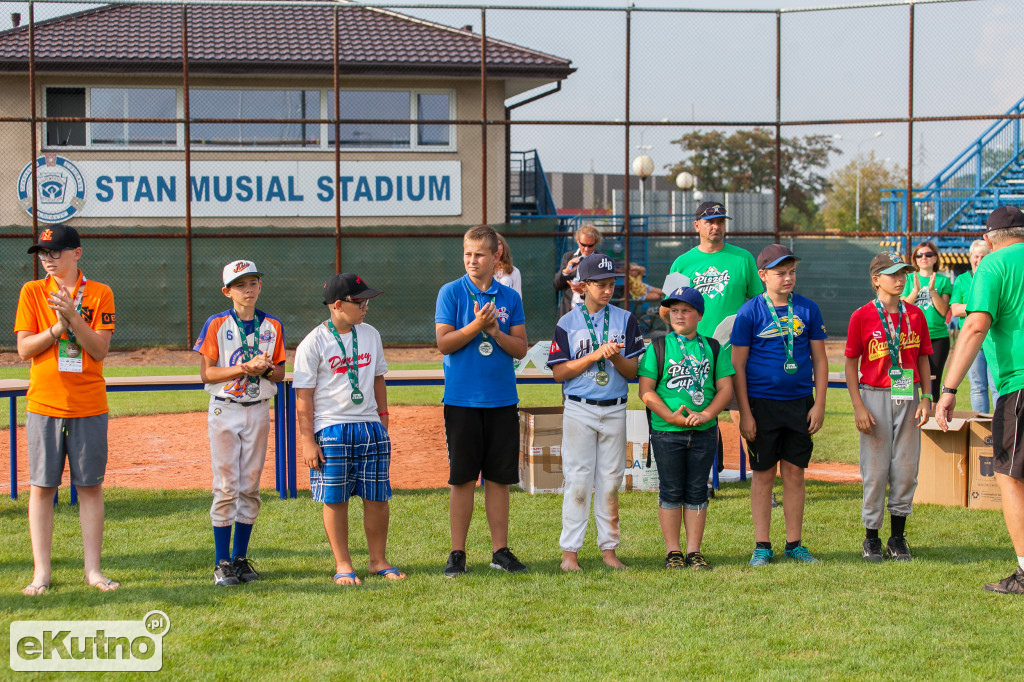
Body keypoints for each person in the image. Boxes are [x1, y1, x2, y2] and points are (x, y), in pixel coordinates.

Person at [15, 224, 118, 595]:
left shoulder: (101, 293)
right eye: (43, 254)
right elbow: (25, 350)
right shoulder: (32, 291)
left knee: (89, 486)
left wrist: (74, 317)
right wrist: (59, 327)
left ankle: (93, 570)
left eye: (55, 252)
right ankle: (41, 572)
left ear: (77, 253)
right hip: (44, 402)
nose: (48, 260)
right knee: (41, 487)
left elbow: (99, 350)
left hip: (88, 403)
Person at [294, 273, 404, 586]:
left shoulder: (370, 334)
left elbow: (379, 378)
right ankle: (343, 565)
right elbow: (303, 397)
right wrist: (307, 441)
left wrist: (383, 420)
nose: (366, 306)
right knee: (335, 498)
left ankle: (377, 560)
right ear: (339, 305)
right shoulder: (313, 342)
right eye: (361, 301)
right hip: (332, 429)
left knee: (378, 497)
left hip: (369, 427)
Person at [936, 205, 1024, 594]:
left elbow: (974, 326)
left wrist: (949, 389)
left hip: (1019, 384)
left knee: (1011, 477)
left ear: (988, 239)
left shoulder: (992, 265)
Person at [435, 225, 529, 577]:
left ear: (496, 257)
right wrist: (477, 326)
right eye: (467, 254)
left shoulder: (510, 298)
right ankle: (457, 552)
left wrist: (495, 332)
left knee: (498, 479)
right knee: (461, 479)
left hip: (502, 400)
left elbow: (520, 348)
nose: (472, 261)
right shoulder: (451, 293)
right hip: (462, 401)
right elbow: (444, 343)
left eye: (479, 255)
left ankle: (499, 551)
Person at [546, 253, 645, 572]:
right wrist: (593, 357)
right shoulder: (567, 322)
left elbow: (632, 372)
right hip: (579, 408)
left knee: (611, 480)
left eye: (611, 283)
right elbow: (559, 373)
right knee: (577, 480)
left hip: (615, 407)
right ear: (583, 286)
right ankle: (569, 553)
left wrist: (614, 358)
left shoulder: (625, 319)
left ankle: (609, 550)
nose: (607, 290)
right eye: (600, 284)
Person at [731, 244, 828, 567]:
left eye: (792, 272)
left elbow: (820, 359)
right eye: (780, 273)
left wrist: (820, 405)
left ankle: (795, 543)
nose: (788, 278)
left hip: (800, 403)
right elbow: (738, 365)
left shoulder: (808, 309)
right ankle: (762, 545)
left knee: (795, 474)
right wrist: (745, 412)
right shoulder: (749, 313)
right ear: (763, 276)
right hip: (762, 405)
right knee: (762, 475)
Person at [193, 260, 286, 586]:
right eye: (240, 284)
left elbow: (280, 374)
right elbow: (208, 374)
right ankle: (222, 562)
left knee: (250, 484)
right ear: (227, 291)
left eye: (253, 282)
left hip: (258, 407)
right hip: (226, 408)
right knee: (227, 485)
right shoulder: (217, 324)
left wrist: (264, 369)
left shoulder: (271, 325)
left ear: (260, 286)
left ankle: (241, 558)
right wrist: (245, 367)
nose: (248, 289)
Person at [638, 287, 734, 570]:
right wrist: (671, 416)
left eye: (686, 310)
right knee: (670, 490)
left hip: (703, 430)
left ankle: (694, 551)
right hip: (667, 431)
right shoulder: (658, 346)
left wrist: (706, 414)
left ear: (699, 315)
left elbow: (725, 389)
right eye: (674, 311)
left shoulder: (713, 347)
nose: (679, 315)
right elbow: (646, 391)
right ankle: (673, 552)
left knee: (696, 489)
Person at [845, 252, 932, 562]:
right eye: (893, 273)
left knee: (907, 468)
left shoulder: (916, 315)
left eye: (903, 273)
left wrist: (926, 397)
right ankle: (872, 537)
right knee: (876, 469)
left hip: (907, 394)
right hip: (874, 394)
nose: (900, 278)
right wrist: (858, 406)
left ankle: (897, 537)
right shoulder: (862, 316)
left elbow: (922, 357)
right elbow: (851, 362)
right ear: (875, 280)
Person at [667, 201, 761, 343]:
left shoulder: (744, 258)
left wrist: (746, 328)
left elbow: (758, 302)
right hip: (694, 352)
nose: (716, 226)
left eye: (721, 222)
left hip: (733, 349)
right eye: (710, 222)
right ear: (697, 226)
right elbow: (666, 310)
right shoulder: (681, 263)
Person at [900, 240, 951, 404]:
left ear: (935, 259)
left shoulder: (943, 281)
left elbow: (943, 311)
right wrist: (915, 290)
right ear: (914, 259)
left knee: (933, 384)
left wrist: (932, 290)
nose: (924, 258)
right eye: (919, 255)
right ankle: (906, 416)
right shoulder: (907, 279)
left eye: (929, 254)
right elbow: (902, 308)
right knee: (906, 381)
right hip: (910, 337)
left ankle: (932, 424)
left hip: (937, 337)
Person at [949, 239, 997, 412]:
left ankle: (1000, 426)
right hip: (971, 340)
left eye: (983, 256)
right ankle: (981, 423)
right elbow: (955, 309)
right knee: (977, 386)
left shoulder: (993, 277)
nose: (979, 260)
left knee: (996, 385)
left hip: (992, 340)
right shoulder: (962, 280)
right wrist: (981, 308)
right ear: (971, 258)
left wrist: (969, 308)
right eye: (976, 256)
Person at [554, 223, 602, 318]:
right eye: (583, 245)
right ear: (577, 241)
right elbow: (557, 285)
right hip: (569, 310)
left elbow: (602, 290)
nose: (586, 249)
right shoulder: (568, 257)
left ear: (596, 243)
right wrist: (566, 271)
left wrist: (582, 291)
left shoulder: (601, 260)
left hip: (591, 311)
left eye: (590, 245)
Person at [494, 233, 523, 298]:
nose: (496, 248)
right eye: (493, 245)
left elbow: (518, 298)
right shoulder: (483, 271)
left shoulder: (514, 271)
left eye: (499, 244)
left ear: (503, 247)